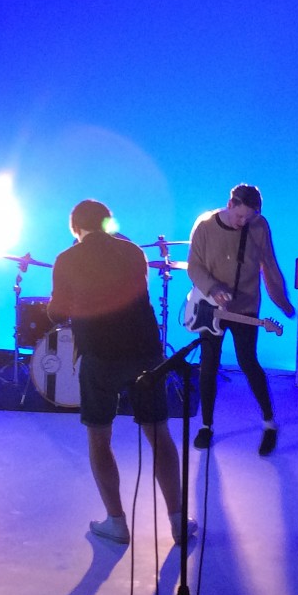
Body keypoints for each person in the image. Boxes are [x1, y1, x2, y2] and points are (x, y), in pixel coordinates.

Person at [47, 199, 191, 545]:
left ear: (75, 228)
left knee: (99, 438)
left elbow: (57, 313)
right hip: (145, 355)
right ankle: (177, 523)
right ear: (107, 223)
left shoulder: (66, 259)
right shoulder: (133, 253)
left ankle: (117, 523)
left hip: (99, 357)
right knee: (159, 435)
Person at [186, 183, 295, 456]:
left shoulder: (259, 226)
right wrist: (213, 289)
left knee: (248, 362)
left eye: (249, 217)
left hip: (245, 306)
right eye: (239, 215)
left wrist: (282, 301)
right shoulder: (205, 226)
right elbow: (194, 266)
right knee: (208, 365)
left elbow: (269, 264)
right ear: (230, 204)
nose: (243, 221)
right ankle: (206, 426)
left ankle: (269, 423)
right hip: (211, 307)